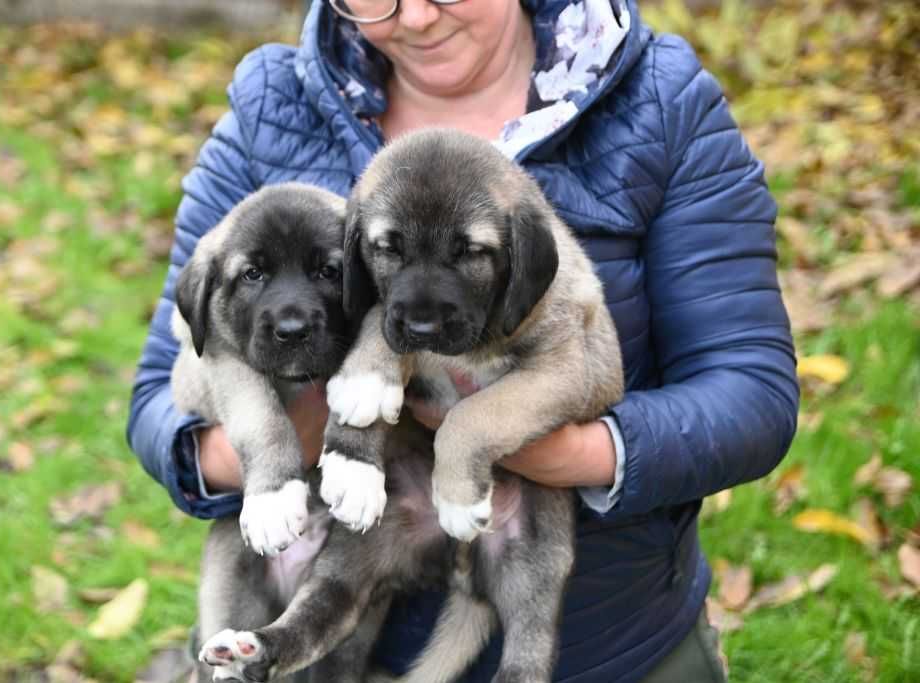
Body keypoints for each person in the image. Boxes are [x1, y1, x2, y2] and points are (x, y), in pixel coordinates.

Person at [126, 0, 799, 680]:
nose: (414, 17)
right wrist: (277, 447)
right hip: (320, 639)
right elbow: (162, 392)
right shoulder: (272, 107)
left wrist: (567, 450)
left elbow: (753, 396)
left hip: (606, 650)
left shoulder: (661, 101)